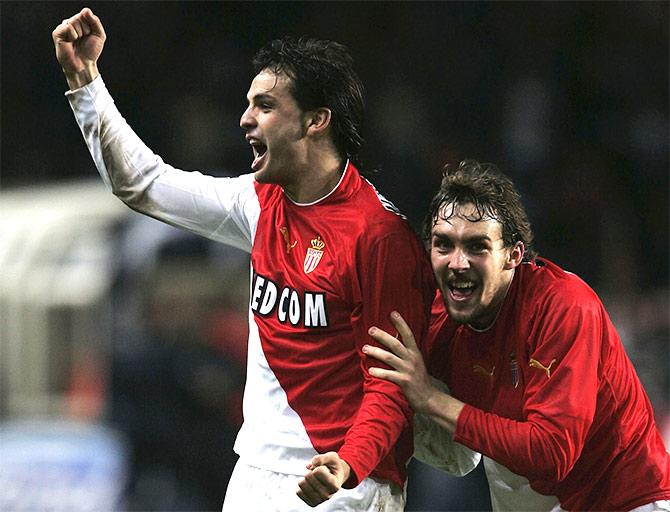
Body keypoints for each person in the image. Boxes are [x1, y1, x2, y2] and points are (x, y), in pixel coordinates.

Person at [51, 7, 437, 511]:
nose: (245, 119)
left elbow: (391, 387)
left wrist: (349, 463)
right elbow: (143, 183)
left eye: (265, 106)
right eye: (248, 104)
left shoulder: (379, 238)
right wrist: (86, 84)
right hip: (255, 474)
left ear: (317, 120)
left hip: (343, 484)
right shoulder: (258, 202)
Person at [364, 160, 670, 511]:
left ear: (514, 255)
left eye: (477, 247)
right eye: (444, 245)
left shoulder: (563, 308)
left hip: (626, 499)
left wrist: (432, 400)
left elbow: (551, 454)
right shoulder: (437, 317)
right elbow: (454, 453)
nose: (457, 263)